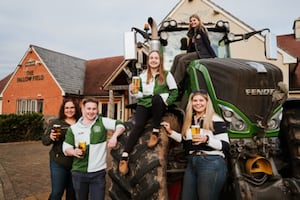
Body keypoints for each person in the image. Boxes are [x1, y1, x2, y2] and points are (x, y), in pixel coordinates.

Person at [161, 90, 229, 200]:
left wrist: (207, 140)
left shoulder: (215, 120)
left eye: (201, 100)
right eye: (195, 100)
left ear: (207, 102)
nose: (198, 103)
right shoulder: (190, 121)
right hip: (192, 162)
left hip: (211, 162)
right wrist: (170, 132)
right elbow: (185, 142)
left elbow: (225, 145)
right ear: (191, 103)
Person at [118, 50, 178, 175]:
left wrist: (167, 102)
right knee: (138, 125)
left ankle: (155, 131)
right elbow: (138, 94)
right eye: (151, 58)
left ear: (160, 61)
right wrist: (132, 91)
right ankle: (124, 156)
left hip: (159, 104)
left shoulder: (167, 75)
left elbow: (174, 92)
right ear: (148, 61)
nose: (154, 60)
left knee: (156, 97)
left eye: (156, 58)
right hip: (144, 103)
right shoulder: (142, 76)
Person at [62, 97, 126, 200]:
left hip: (98, 173)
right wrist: (73, 151)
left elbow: (120, 124)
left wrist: (114, 137)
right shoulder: (73, 129)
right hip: (79, 173)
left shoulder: (102, 122)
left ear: (97, 110)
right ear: (83, 109)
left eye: (94, 109)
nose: (91, 112)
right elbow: (66, 148)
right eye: (88, 109)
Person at [42, 98, 81, 200]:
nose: (69, 110)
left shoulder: (81, 123)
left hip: (76, 163)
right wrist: (50, 137)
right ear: (63, 109)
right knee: (57, 192)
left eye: (72, 107)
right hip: (58, 162)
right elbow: (44, 141)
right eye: (67, 108)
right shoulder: (56, 123)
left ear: (76, 109)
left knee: (72, 193)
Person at [170, 14, 216, 86]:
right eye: (191, 21)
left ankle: (175, 84)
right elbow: (189, 49)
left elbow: (207, 44)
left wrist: (214, 56)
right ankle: (170, 80)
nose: (192, 22)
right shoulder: (191, 33)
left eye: (194, 20)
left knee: (182, 60)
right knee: (177, 57)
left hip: (201, 53)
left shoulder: (201, 30)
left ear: (199, 21)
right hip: (194, 53)